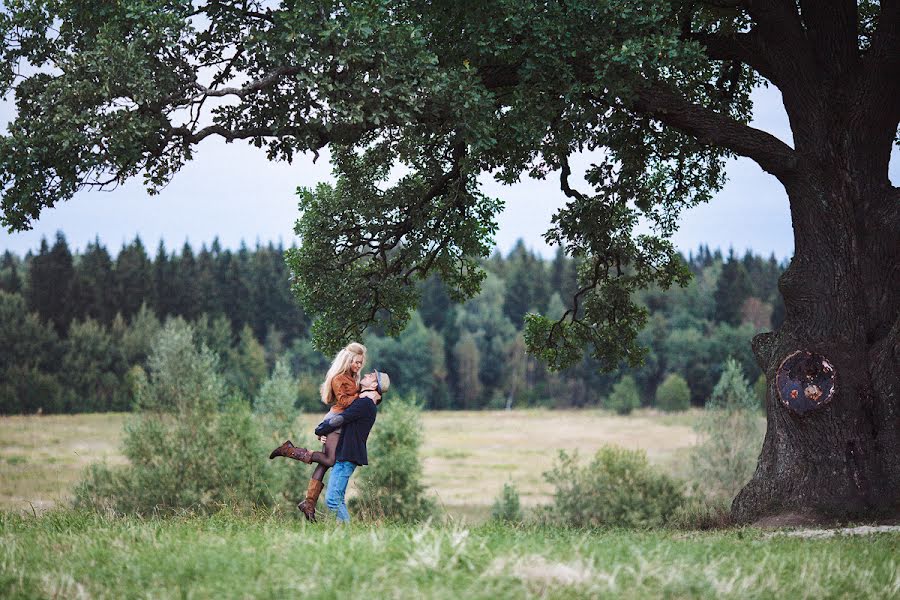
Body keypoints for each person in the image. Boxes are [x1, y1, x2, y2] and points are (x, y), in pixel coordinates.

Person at [268, 342, 388, 521]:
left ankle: (309, 502)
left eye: (361, 364)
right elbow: (345, 405)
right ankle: (290, 452)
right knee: (329, 461)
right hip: (334, 421)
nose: (361, 368)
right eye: (356, 362)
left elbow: (352, 413)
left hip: (338, 424)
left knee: (327, 464)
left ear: (374, 385)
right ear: (348, 361)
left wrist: (366, 396)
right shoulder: (341, 379)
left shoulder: (359, 389)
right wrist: (323, 428)